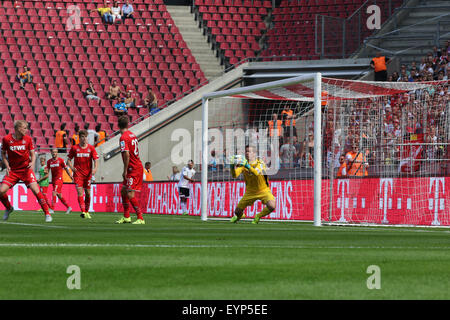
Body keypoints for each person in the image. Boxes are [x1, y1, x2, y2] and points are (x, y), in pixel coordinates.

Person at [1, 120, 52, 222]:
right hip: (13, 171)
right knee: (1, 191)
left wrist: (32, 163)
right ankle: (9, 208)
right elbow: (3, 154)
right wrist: (7, 166)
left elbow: (33, 154)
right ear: (18, 128)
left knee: (36, 190)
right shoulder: (6, 139)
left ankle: (47, 213)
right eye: (24, 128)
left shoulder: (28, 139)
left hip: (26, 170)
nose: (26, 130)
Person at [229, 145, 276, 224]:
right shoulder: (243, 164)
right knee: (237, 212)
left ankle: (258, 216)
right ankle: (240, 216)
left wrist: (247, 166)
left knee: (272, 206)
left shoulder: (260, 162)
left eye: (249, 151)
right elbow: (234, 175)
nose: (247, 153)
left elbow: (256, 173)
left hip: (263, 190)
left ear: (254, 153)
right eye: (246, 151)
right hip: (250, 192)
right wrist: (231, 166)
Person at [115, 116, 145, 224]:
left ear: (118, 125)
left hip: (133, 168)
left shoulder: (123, 138)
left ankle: (140, 218)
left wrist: (125, 170)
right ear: (128, 124)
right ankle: (127, 216)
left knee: (130, 194)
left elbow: (127, 155)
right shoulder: (132, 135)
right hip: (135, 166)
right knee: (123, 191)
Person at [67, 129, 99, 219]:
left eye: (85, 137)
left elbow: (96, 159)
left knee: (88, 193)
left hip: (88, 174)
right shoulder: (74, 148)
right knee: (80, 192)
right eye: (82, 137)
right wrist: (72, 168)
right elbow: (68, 160)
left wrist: (95, 169)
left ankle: (87, 211)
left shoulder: (91, 148)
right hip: (78, 175)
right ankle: (83, 211)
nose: (84, 139)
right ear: (79, 138)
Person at [45, 148, 73, 214]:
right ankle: (69, 207)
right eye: (53, 152)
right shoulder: (49, 161)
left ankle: (52, 209)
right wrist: (45, 174)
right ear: (51, 153)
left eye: (55, 152)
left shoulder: (61, 160)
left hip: (59, 179)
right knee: (59, 195)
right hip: (54, 180)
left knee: (54, 192)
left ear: (57, 153)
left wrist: (70, 176)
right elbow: (47, 171)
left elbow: (66, 168)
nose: (54, 153)